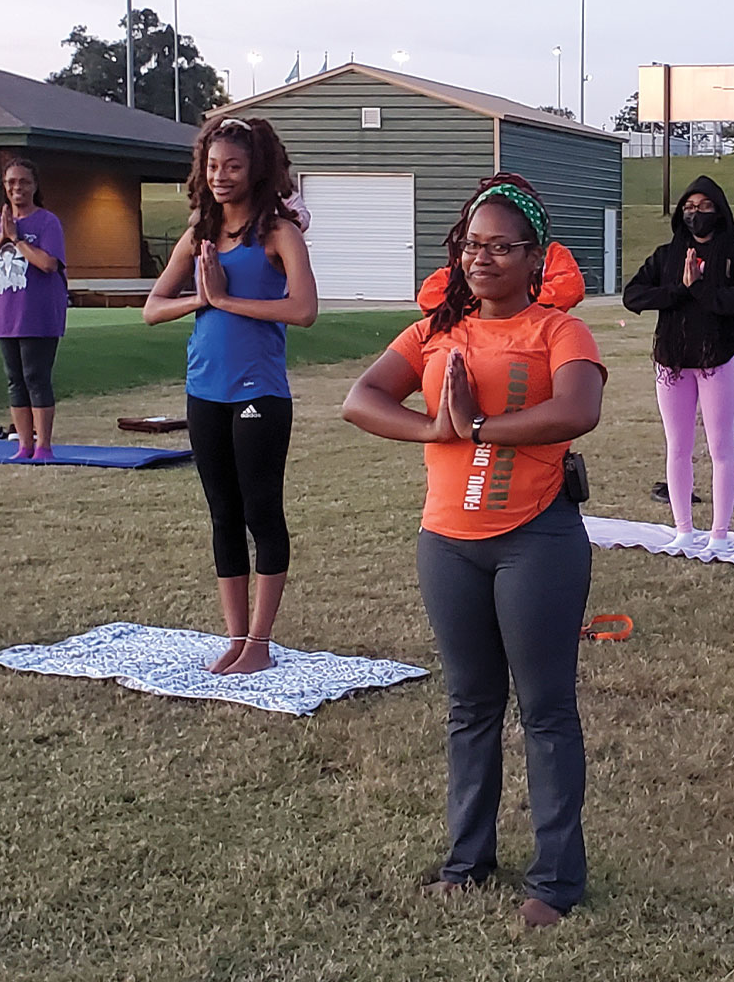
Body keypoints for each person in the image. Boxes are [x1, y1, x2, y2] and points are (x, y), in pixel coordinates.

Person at [341, 173, 605, 929]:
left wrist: (480, 429)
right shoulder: (432, 330)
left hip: (536, 539)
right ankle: (468, 863)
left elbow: (577, 408)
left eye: (500, 247)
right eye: (469, 245)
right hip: (447, 543)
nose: (480, 258)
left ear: (535, 258)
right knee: (469, 706)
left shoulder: (560, 331)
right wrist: (435, 429)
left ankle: (555, 881)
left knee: (547, 709)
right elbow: (362, 398)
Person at [142, 117, 319, 675]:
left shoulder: (278, 234)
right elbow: (152, 308)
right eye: (213, 166)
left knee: (261, 511)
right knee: (223, 515)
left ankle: (261, 644)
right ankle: (235, 637)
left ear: (256, 170)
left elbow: (304, 310)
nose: (221, 176)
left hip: (258, 392)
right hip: (205, 391)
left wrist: (225, 298)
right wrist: (202, 299)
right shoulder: (199, 233)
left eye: (233, 167)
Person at [623, 176, 734, 547]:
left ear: (718, 210)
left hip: (716, 358)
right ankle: (683, 528)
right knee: (678, 447)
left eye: (704, 207)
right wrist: (678, 291)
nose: (696, 214)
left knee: (720, 447)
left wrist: (701, 289)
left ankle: (718, 532)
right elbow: (633, 296)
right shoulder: (667, 255)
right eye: (689, 207)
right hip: (672, 361)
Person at [0, 158, 67, 460]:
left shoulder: (48, 222)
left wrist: (17, 240)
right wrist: (0, 238)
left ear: (34, 185)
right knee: (15, 380)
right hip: (5, 315)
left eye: (23, 182)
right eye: (10, 183)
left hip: (38, 315)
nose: (16, 188)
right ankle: (23, 445)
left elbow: (48, 264)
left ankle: (43, 445)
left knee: (36, 377)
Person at [417, 240, 585, 312]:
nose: (482, 258)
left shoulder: (553, 254)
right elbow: (429, 297)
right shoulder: (461, 272)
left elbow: (570, 290)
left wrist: (512, 305)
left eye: (500, 247)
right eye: (473, 244)